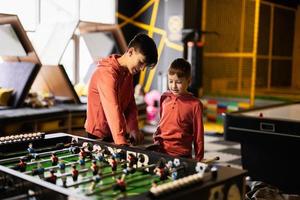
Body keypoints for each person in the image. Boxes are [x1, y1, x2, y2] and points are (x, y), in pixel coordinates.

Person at [85, 33, 158, 146]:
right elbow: (112, 108)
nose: (142, 69)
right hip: (98, 136)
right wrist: (120, 141)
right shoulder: (107, 73)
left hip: (116, 133)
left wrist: (133, 128)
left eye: (145, 66)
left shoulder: (127, 73)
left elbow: (130, 104)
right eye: (141, 62)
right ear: (130, 52)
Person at [153, 58, 204, 161]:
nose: (173, 86)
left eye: (178, 82)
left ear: (189, 81)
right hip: (161, 150)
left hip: (181, 154)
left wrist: (199, 158)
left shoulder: (195, 104)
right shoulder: (164, 97)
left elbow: (199, 135)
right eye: (170, 81)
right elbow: (162, 123)